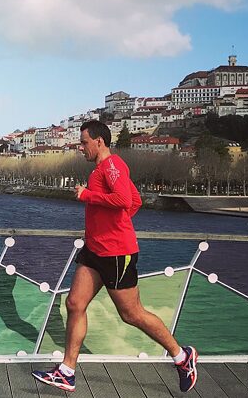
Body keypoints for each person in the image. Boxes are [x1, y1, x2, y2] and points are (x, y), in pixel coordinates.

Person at [32, 120, 198, 393]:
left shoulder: (111, 166)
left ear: (99, 141)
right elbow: (135, 202)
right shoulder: (104, 168)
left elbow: (122, 200)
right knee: (75, 303)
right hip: (95, 249)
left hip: (116, 254)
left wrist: (88, 196)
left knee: (131, 314)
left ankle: (182, 357)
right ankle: (67, 371)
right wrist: (112, 223)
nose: (80, 147)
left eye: (84, 142)